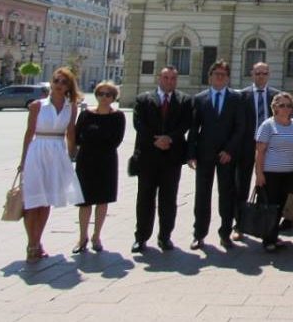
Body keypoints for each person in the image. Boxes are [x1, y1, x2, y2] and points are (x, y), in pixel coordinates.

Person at [18, 66, 84, 262]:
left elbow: (70, 133)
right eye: (56, 81)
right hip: (37, 152)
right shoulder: (37, 105)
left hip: (57, 153)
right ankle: (32, 244)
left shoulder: (70, 107)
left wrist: (72, 155)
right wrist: (23, 160)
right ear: (51, 83)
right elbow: (29, 133)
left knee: (46, 201)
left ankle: (37, 242)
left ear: (68, 86)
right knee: (32, 202)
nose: (58, 85)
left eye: (63, 82)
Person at [188, 60, 246, 250]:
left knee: (226, 195)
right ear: (210, 76)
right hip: (205, 153)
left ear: (228, 77)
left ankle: (225, 233)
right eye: (216, 74)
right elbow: (194, 128)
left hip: (227, 155)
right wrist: (191, 154)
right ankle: (199, 234)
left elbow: (240, 127)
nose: (220, 77)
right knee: (202, 195)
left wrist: (229, 150)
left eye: (223, 74)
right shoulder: (200, 98)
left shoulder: (236, 99)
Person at [132, 66, 190, 253]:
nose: (169, 81)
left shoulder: (184, 100)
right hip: (148, 156)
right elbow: (139, 124)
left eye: (173, 78)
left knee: (168, 200)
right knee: (145, 199)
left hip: (171, 159)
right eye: (166, 77)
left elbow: (185, 124)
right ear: (159, 78)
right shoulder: (143, 99)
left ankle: (165, 237)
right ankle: (141, 237)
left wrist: (169, 138)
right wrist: (155, 140)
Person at [73, 80, 126, 253]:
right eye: (100, 94)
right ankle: (82, 237)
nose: (104, 97)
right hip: (85, 161)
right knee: (84, 201)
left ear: (113, 97)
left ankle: (96, 236)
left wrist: (94, 142)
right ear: (96, 95)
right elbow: (76, 136)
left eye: (108, 94)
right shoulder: (86, 114)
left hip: (106, 161)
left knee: (102, 200)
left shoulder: (118, 116)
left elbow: (116, 140)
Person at [234, 62, 279, 241]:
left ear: (269, 74)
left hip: (269, 148)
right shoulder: (241, 96)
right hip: (246, 147)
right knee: (241, 187)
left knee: (266, 187)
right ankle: (239, 225)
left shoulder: (276, 96)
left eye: (264, 73)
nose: (261, 76)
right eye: (257, 73)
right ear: (252, 74)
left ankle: (264, 225)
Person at [254, 92, 293, 253]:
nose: (286, 108)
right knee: (270, 207)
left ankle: (274, 235)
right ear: (274, 107)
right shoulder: (268, 125)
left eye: (289, 105)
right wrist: (259, 174)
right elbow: (260, 151)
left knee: (283, 207)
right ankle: (268, 239)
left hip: (288, 173)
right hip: (271, 173)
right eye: (282, 105)